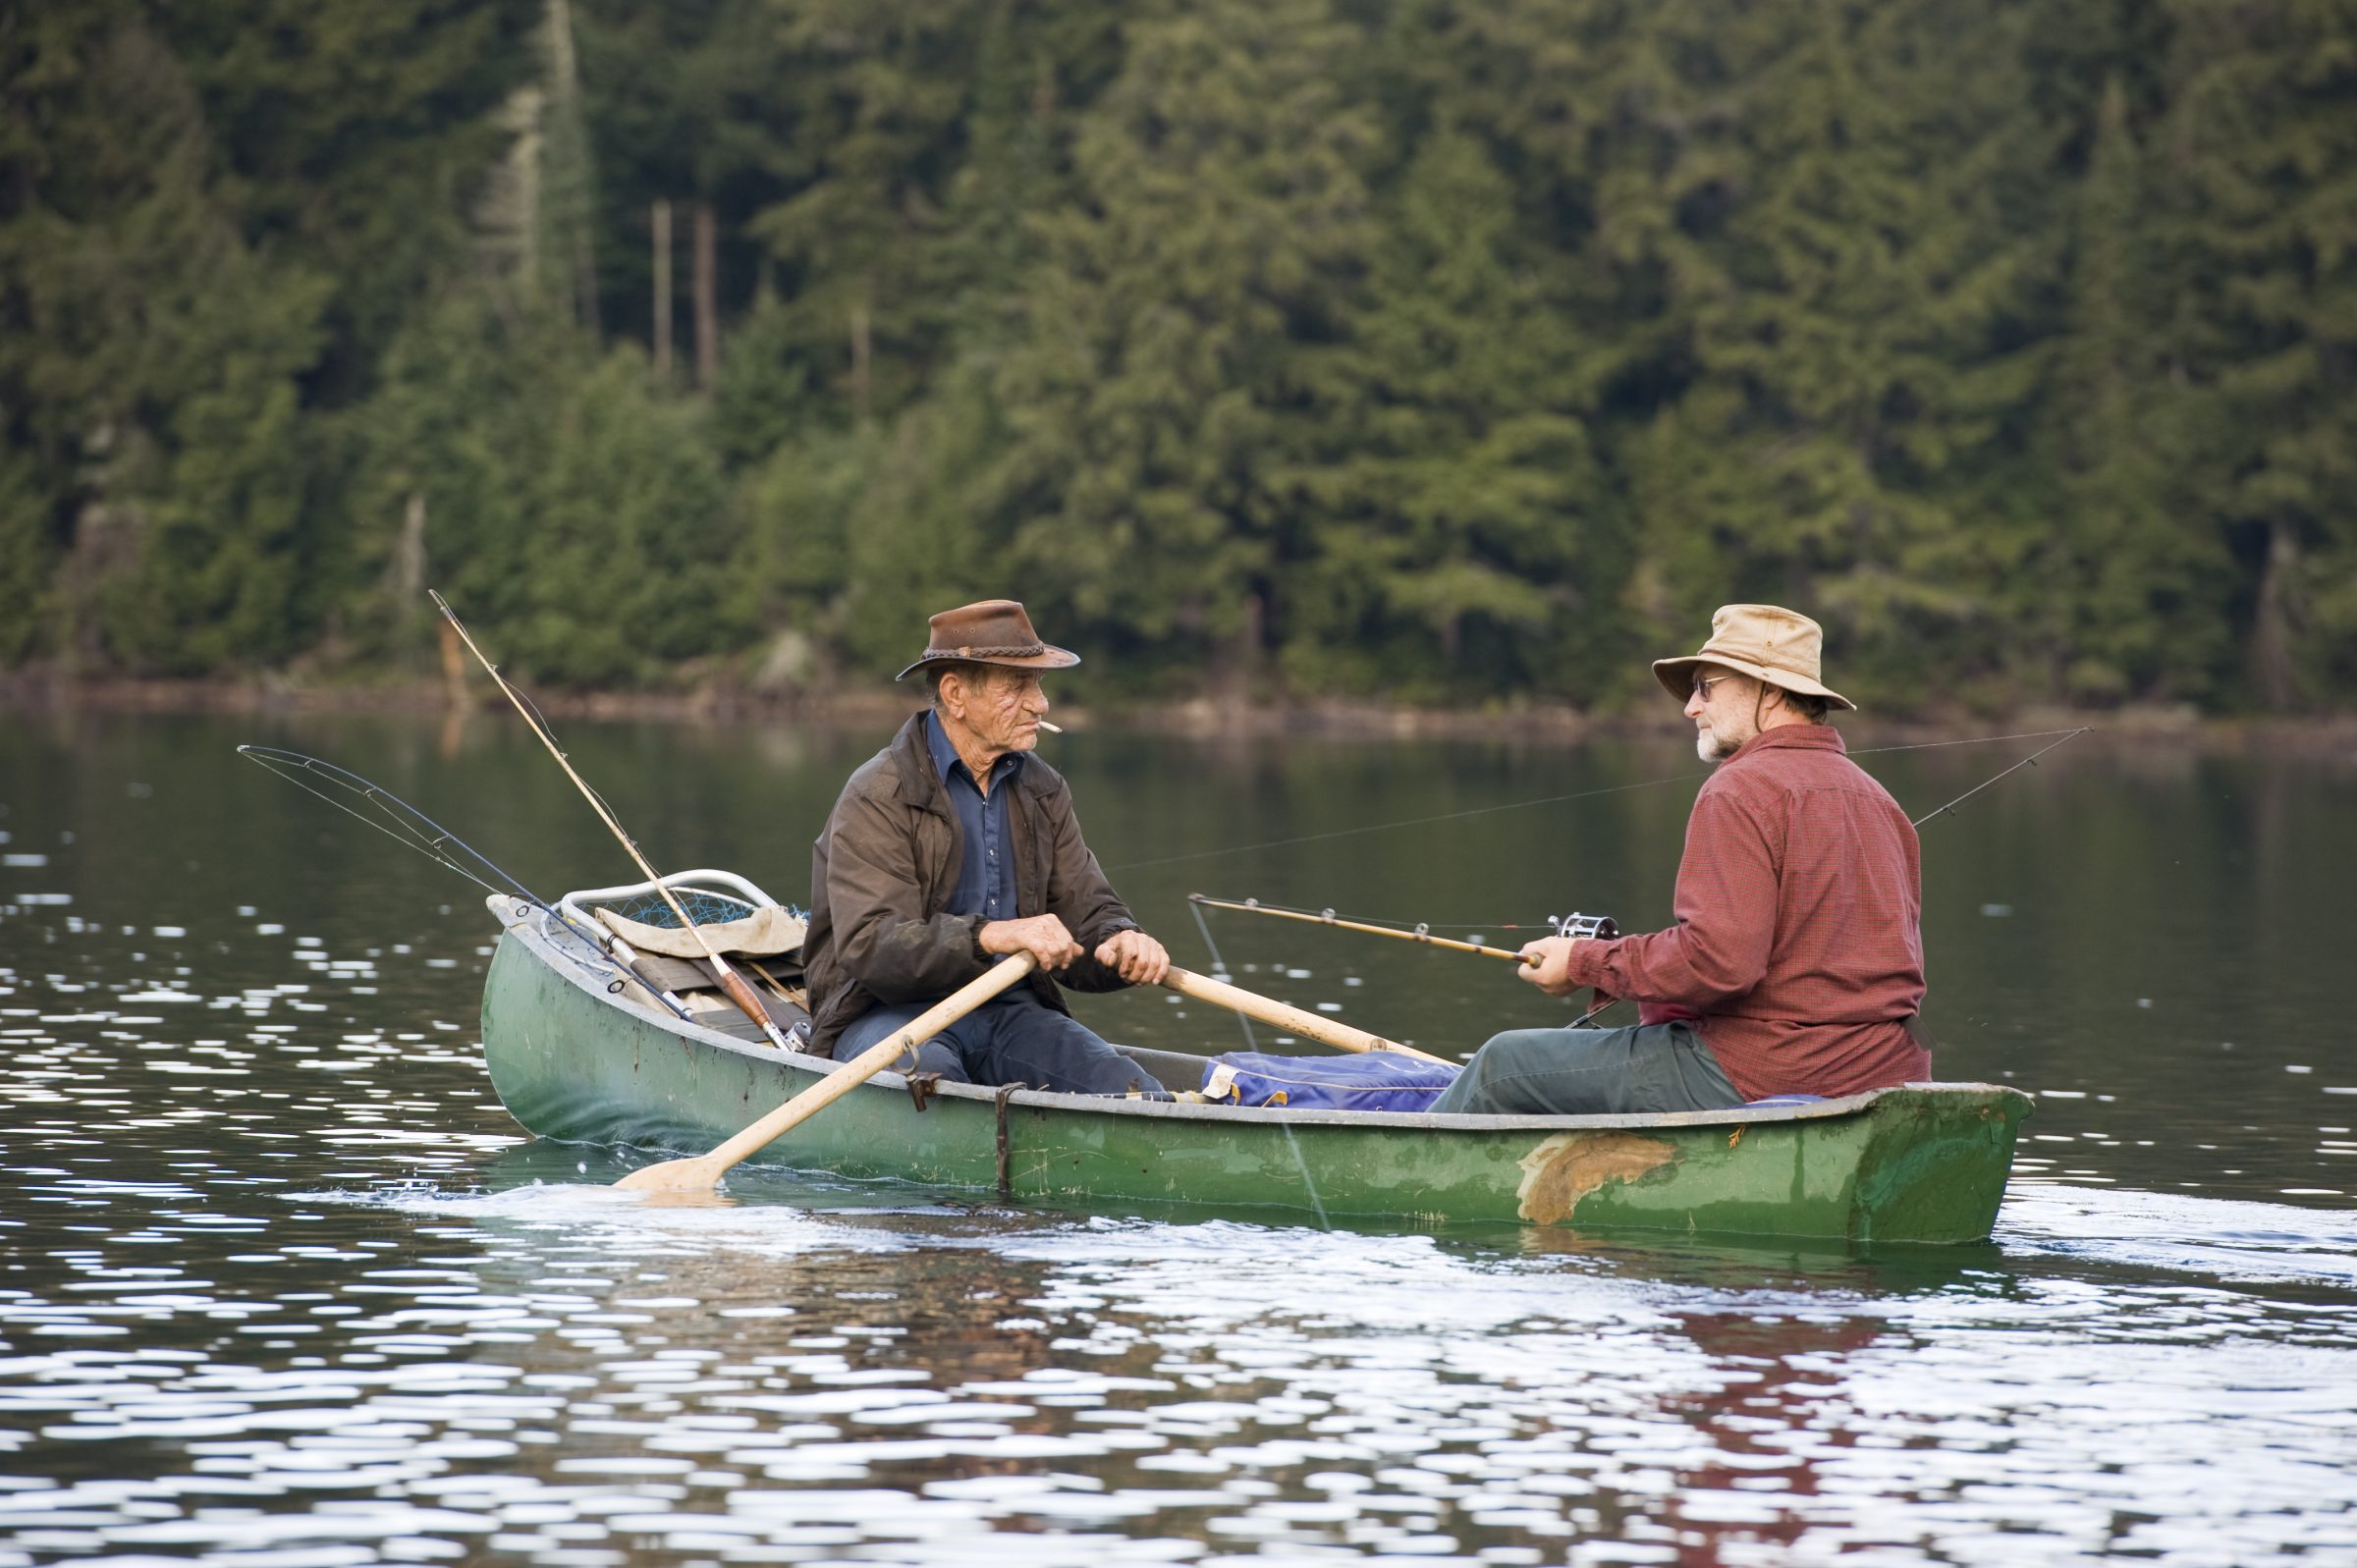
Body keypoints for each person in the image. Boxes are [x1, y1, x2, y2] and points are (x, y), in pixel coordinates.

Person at [1429, 603, 1929, 1116]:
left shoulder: (1738, 788)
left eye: (1706, 687)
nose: (1691, 707)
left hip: (1762, 1070)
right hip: (1888, 1071)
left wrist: (1581, 962)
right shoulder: (1881, 799)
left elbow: (1719, 964)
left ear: (1773, 692)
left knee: (1502, 1066)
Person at [799, 599, 1171, 1096]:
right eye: (1017, 686)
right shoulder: (877, 793)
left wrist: (1120, 942)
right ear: (955, 694)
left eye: (1038, 685)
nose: (1040, 704)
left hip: (1011, 1013)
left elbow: (1086, 911)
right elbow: (874, 948)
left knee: (1135, 1094)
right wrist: (991, 936)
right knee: (935, 1090)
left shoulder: (1044, 789)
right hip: (884, 1015)